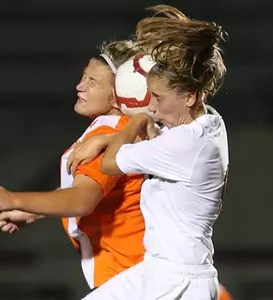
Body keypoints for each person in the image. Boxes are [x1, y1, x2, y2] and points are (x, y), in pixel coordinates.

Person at [66, 5, 229, 300]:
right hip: (157, 271)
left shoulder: (184, 144)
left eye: (157, 98)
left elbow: (110, 163)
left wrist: (135, 122)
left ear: (189, 96)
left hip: (180, 284)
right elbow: (164, 140)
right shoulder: (210, 121)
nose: (151, 107)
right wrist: (110, 137)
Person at [0, 40, 147, 289]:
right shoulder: (123, 130)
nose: (80, 86)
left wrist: (13, 198)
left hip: (129, 278)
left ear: (120, 94)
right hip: (134, 272)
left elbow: (83, 199)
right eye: (83, 77)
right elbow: (100, 191)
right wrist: (34, 211)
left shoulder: (109, 133)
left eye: (93, 82)